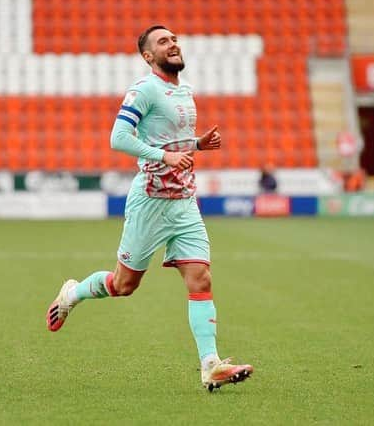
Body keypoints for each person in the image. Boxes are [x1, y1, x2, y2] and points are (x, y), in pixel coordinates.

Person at [46, 25, 253, 392]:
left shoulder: (184, 90)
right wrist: (165, 156)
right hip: (151, 200)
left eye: (174, 39)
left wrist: (197, 144)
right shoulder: (143, 90)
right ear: (148, 56)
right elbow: (119, 138)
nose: (172, 43)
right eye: (163, 41)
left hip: (184, 201)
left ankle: (211, 365)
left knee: (200, 278)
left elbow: (169, 138)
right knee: (123, 285)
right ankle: (72, 294)